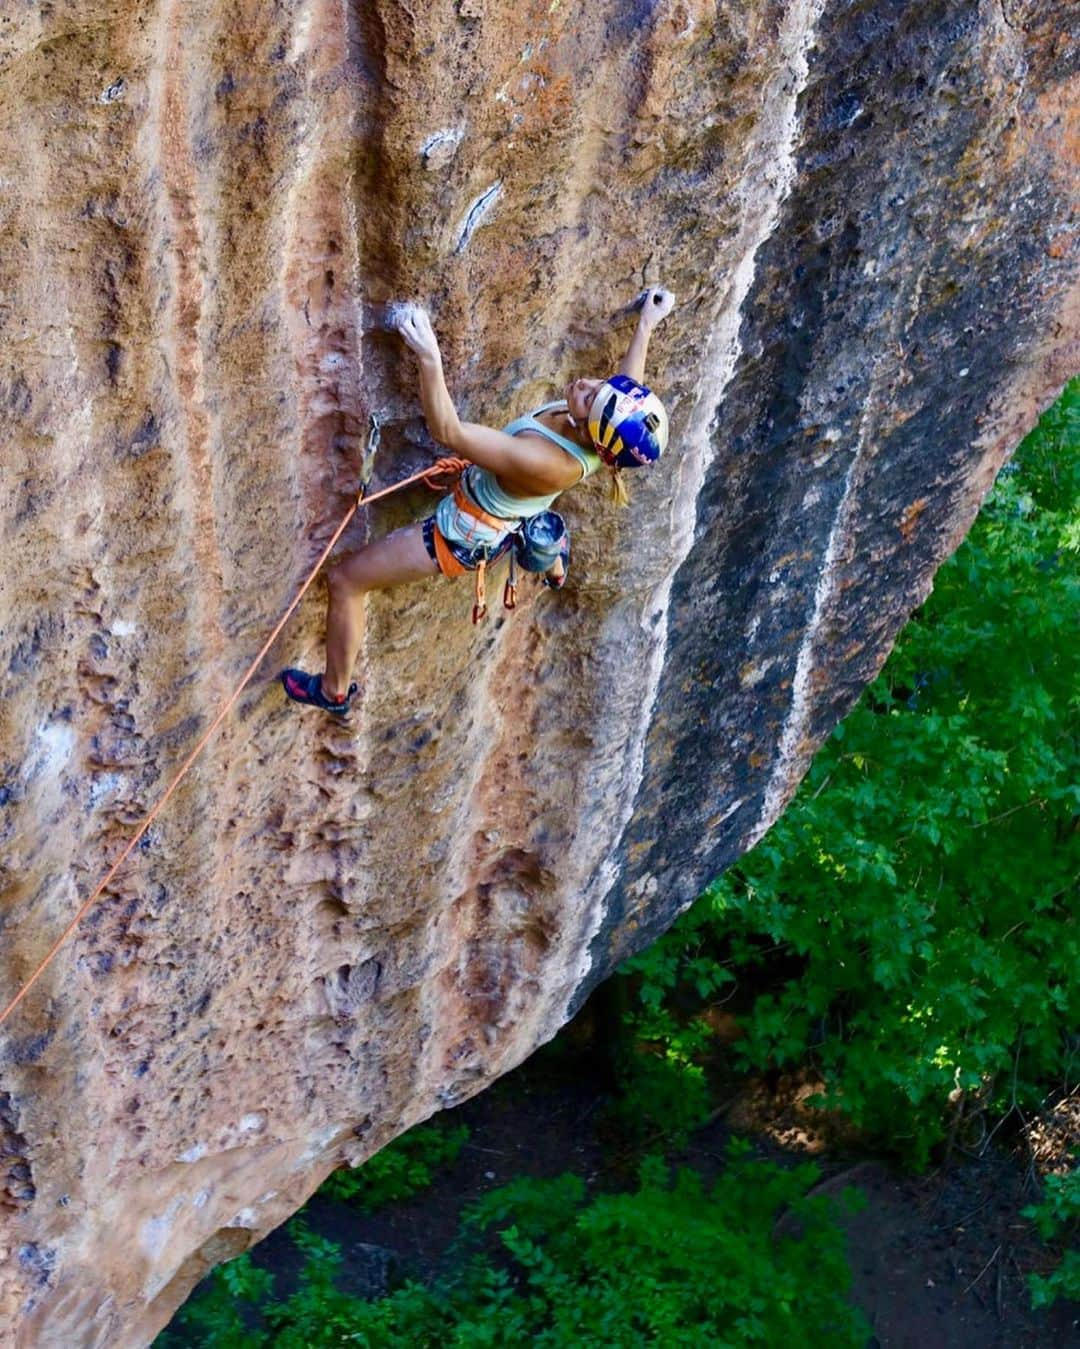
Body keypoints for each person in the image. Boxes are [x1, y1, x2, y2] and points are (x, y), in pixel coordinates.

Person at [281, 285, 676, 716]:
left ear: (593, 435)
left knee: (345, 582)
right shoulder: (608, 439)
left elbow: (449, 433)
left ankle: (334, 692)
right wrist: (646, 324)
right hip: (508, 500)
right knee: (537, 503)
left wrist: (429, 358)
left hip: (459, 536)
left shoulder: (545, 461)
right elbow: (627, 388)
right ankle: (552, 554)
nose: (586, 383)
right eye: (598, 385)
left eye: (590, 397)